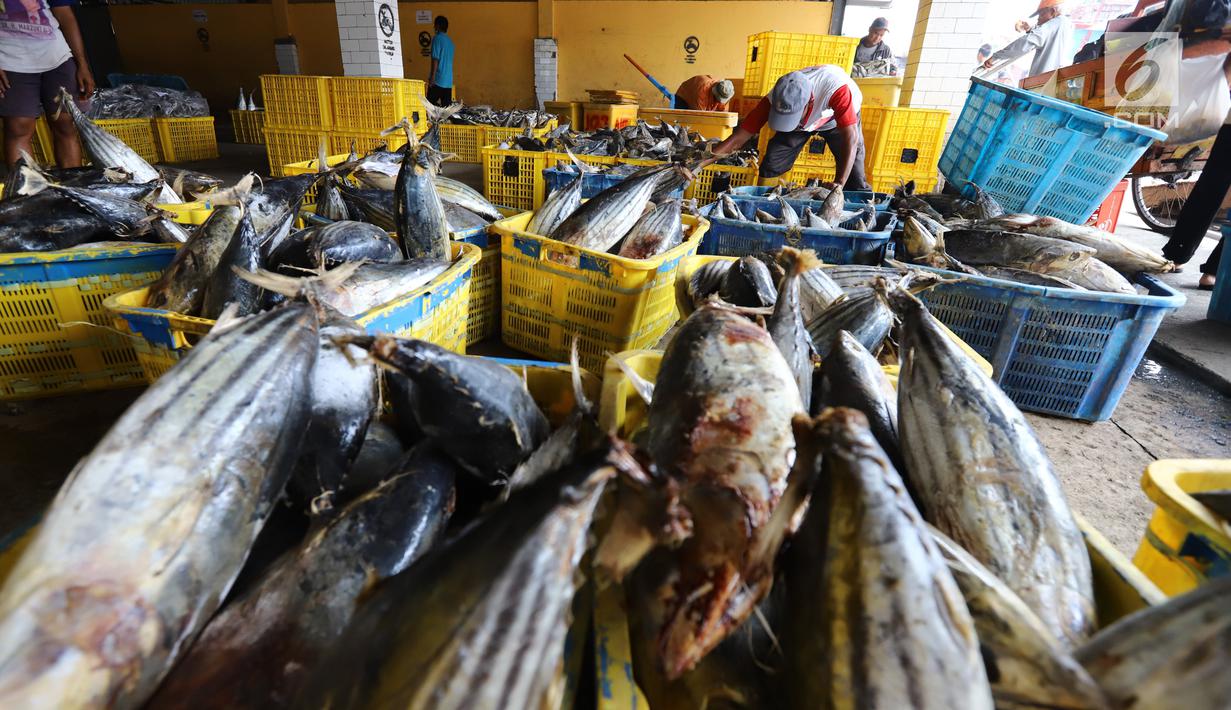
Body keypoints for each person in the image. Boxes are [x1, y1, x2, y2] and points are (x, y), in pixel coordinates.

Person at [708, 65, 869, 190]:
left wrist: (839, 183)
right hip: (803, 125)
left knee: (854, 175)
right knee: (772, 163)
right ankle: (763, 201)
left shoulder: (836, 89)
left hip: (834, 119)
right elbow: (739, 138)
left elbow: (851, 137)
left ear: (808, 104)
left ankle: (861, 202)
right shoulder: (776, 96)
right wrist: (701, 163)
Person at [0, 0, 94, 168]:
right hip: (9, 59)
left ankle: (72, 189)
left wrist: (82, 64)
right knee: (18, 128)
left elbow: (64, 14)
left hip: (57, 56)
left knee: (66, 124)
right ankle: (25, 192)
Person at [984, 0, 1074, 77]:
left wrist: (996, 56)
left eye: (1041, 14)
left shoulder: (1058, 22)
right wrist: (1030, 29)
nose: (1038, 19)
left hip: (1042, 81)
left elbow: (1027, 42)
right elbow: (1046, 38)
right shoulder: (1064, 24)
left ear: (1053, 11)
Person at [427, 15, 454, 108]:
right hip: (448, 81)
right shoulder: (450, 42)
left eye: (435, 25)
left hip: (438, 79)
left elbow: (435, 59)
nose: (434, 27)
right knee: (446, 111)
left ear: (438, 26)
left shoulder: (437, 38)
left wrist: (432, 77)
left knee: (428, 106)